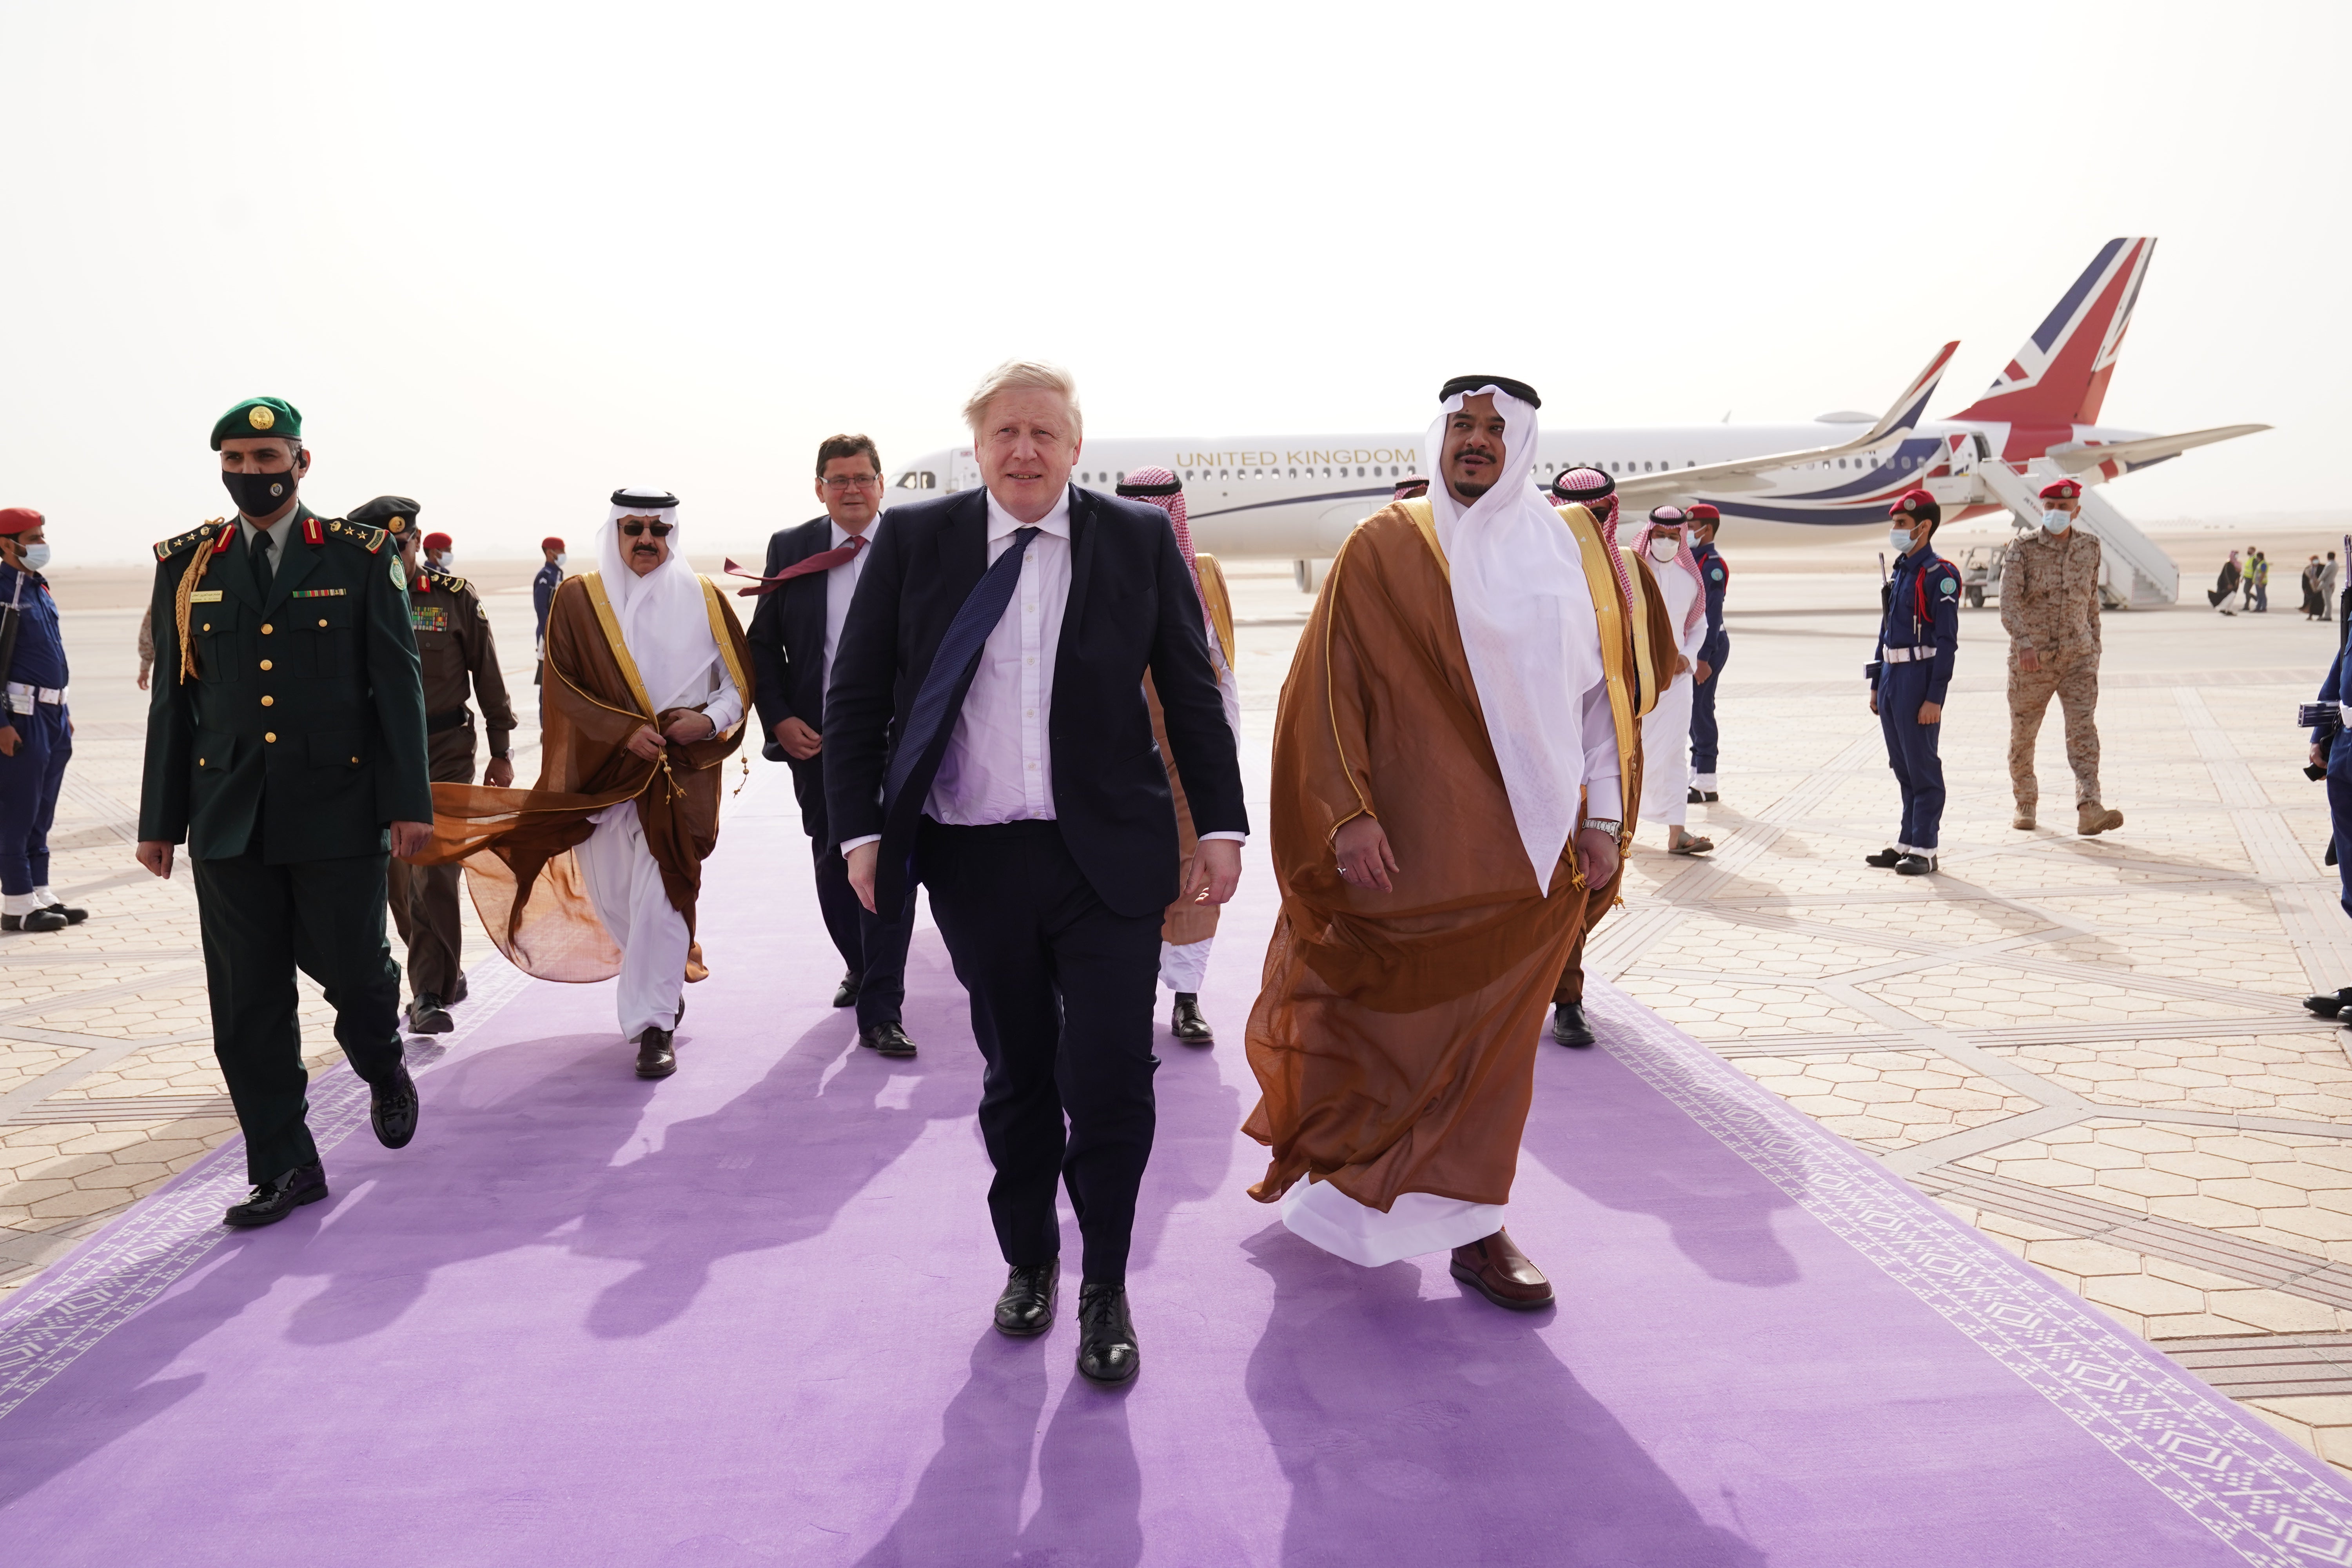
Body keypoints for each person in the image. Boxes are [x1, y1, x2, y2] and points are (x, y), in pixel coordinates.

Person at [824, 361, 1246, 1387]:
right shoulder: (918, 543)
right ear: (976, 447)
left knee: (1110, 1075)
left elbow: (1191, 694)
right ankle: (1031, 1259)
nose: (1025, 450)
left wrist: (1223, 826)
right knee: (1017, 1074)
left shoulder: (1136, 541)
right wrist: (861, 835)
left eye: (1044, 435)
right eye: (1006, 432)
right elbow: (857, 694)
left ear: (1074, 449)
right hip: (974, 857)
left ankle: (1107, 1281)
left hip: (1105, 857)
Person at [1245, 377, 1638, 1314]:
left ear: (1524, 444)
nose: (1475, 441)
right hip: (1412, 847)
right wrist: (1348, 815)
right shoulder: (1384, 545)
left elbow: (1599, 700)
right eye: (1461, 425)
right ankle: (1349, 1186)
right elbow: (1327, 689)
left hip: (1531, 855)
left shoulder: (1569, 550)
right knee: (1386, 1029)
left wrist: (1603, 817)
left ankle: (1474, 1227)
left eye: (1495, 429)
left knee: (1493, 1054)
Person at [134, 397, 432, 1228]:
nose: (251, 475)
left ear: (302, 464)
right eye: (236, 459)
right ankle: (286, 1165)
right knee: (247, 1006)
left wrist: (407, 801)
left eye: (268, 459)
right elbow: (174, 702)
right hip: (227, 815)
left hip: (338, 809)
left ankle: (382, 1060)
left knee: (358, 974)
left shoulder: (360, 555)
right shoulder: (188, 564)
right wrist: (159, 822)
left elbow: (398, 686)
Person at [418, 490, 751, 1078]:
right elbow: (563, 686)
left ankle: (654, 1024)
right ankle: (662, 978)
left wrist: (710, 720)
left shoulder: (704, 598)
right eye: (634, 529)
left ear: (673, 533)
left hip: (679, 774)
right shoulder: (579, 599)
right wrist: (623, 732)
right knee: (616, 898)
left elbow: (739, 684)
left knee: (665, 888)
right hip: (602, 775)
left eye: (658, 529)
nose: (647, 540)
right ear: (615, 533)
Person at [739, 434, 918, 1057]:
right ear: (819, 488)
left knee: (894, 862)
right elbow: (763, 644)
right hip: (817, 738)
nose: (850, 489)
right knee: (833, 858)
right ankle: (860, 961)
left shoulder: (912, 542)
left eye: (862, 478)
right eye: (837, 479)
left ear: (880, 484)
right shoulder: (793, 548)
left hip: (899, 736)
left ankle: (882, 1006)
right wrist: (781, 719)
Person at [359, 498, 517, 1033]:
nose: (392, 558)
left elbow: (488, 672)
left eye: (400, 547)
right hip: (379, 756)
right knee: (398, 881)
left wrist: (501, 748)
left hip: (444, 749)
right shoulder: (351, 599)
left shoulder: (452, 598)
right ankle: (441, 964)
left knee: (434, 872)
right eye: (380, 548)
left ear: (416, 542)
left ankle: (428, 993)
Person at [1543, 466, 1675, 1050]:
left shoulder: (1631, 575)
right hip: (1536, 749)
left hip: (1612, 744)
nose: (1588, 528)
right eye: (1578, 515)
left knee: (1594, 874)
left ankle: (1564, 989)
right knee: (1541, 879)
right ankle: (1559, 992)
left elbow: (1660, 659)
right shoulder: (1536, 570)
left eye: (1598, 516)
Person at [1116, 468, 1241, 1045]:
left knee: (1196, 868)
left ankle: (1187, 999)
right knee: (1123, 870)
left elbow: (1222, 663)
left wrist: (1227, 746)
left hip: (1189, 742)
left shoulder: (1205, 573)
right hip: (1115, 745)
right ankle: (1125, 996)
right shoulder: (1096, 566)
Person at [2002, 479, 2122, 837]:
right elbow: (2008, 604)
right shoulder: (2021, 548)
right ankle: (2025, 801)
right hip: (2032, 661)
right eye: (2050, 505)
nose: (2056, 512)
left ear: (2077, 511)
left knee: (2083, 733)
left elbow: (2091, 603)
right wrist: (2023, 643)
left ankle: (2090, 807)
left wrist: (2095, 647)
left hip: (2078, 659)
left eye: (2064, 507)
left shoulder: (2090, 547)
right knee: (2024, 734)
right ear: (2042, 509)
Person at [1864, 489, 1959, 876]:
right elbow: (1886, 628)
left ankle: (1926, 847)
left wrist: (1935, 697)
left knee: (1923, 766)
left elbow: (1948, 643)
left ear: (1924, 527)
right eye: (1895, 524)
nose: (1895, 531)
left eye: (1901, 525)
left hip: (1919, 679)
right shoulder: (1902, 569)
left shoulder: (1941, 575)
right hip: (1892, 677)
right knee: (1902, 765)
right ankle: (1907, 841)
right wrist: (1876, 680)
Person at [0, 508, 86, 934]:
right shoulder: (3, 591)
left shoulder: (37, 587)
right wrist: (1, 723)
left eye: (41, 536)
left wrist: (64, 713)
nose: (40, 544)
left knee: (43, 810)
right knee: (18, 810)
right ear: (6, 544)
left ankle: (39, 891)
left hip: (54, 715)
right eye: (32, 538)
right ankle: (17, 904)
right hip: (21, 716)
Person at [1635, 506, 1711, 856]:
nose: (1665, 542)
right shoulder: (1634, 574)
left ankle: (1677, 832)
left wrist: (1689, 657)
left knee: (1674, 753)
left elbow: (1698, 627)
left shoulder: (1689, 580)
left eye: (1672, 536)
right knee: (1632, 753)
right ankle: (1622, 828)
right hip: (1639, 680)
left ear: (1681, 538)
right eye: (1659, 535)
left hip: (1677, 682)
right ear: (1649, 535)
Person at [1686, 501, 1729, 802]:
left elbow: (1713, 616)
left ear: (1706, 530)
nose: (1687, 533)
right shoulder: (1692, 561)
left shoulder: (1712, 565)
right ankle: (1696, 776)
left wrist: (1703, 657)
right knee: (1692, 711)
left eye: (1691, 528)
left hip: (1710, 646)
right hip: (1698, 646)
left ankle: (1708, 783)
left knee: (1701, 711)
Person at [2210, 550, 2241, 615]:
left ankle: (2229, 610)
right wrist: (2229, 584)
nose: (2236, 557)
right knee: (2229, 597)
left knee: (2232, 597)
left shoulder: (2236, 564)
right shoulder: (2228, 564)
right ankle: (2223, 609)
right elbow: (2226, 575)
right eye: (2236, 555)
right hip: (2228, 584)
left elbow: (2237, 575)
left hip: (2234, 584)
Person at [2251, 548, 2270, 613]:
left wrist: (2260, 582)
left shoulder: (2263, 564)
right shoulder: (2261, 563)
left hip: (2261, 582)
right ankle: (2259, 607)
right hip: (2259, 582)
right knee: (2260, 595)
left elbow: (2263, 573)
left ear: (2259, 557)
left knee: (2262, 596)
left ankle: (2263, 608)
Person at [2325, 552, 2341, 622]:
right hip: (2332, 584)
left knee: (2328, 601)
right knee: (2328, 601)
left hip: (2327, 585)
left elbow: (2324, 574)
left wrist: (2318, 581)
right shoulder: (2336, 564)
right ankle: (2327, 615)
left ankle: (2327, 616)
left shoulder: (2330, 565)